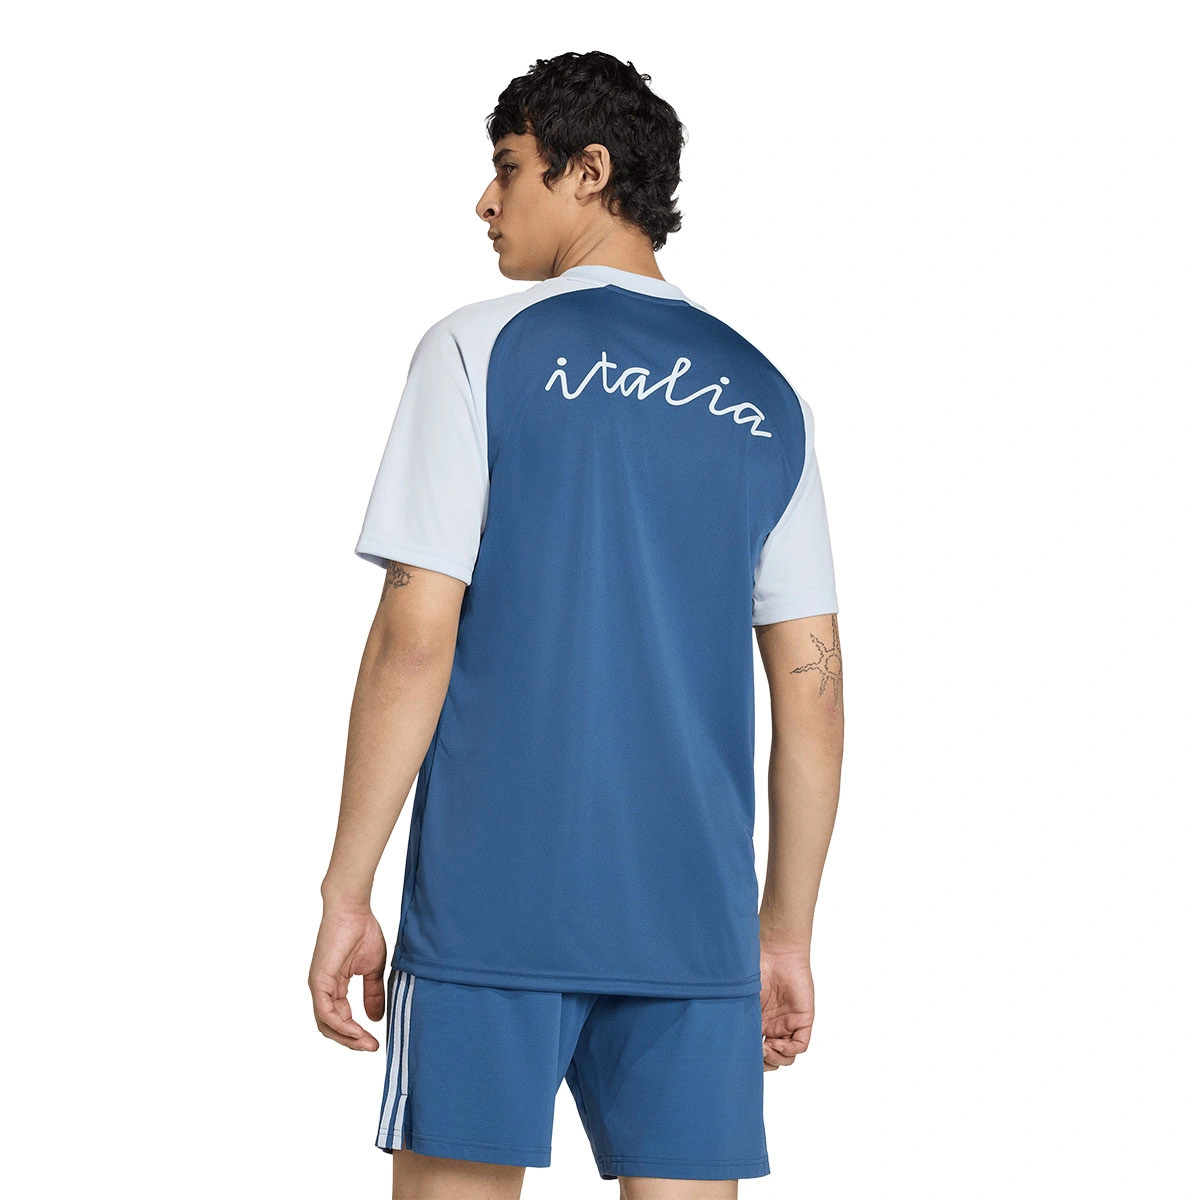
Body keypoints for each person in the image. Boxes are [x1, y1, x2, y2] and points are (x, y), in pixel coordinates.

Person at [309, 49, 845, 1200]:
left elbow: (415, 638)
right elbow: (814, 692)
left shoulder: (477, 348)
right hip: (692, 926)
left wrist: (347, 890)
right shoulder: (769, 398)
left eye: (509, 168)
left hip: (490, 910)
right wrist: (783, 934)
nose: (486, 201)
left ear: (587, 171)